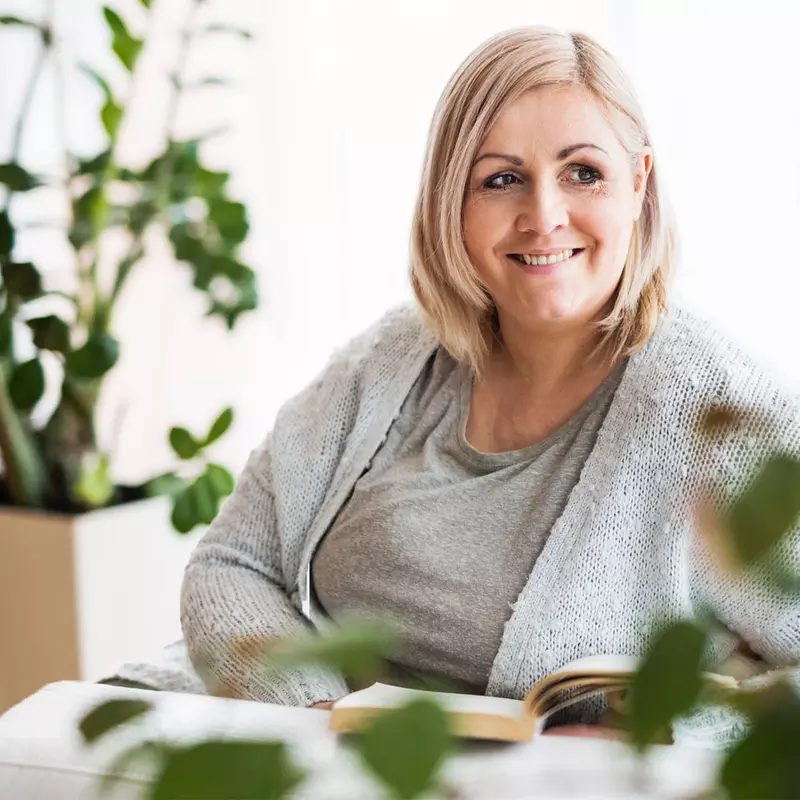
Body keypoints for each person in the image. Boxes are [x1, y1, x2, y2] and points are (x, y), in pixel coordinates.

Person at [161, 26, 798, 746]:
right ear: (452, 203)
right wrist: (315, 719)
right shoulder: (388, 363)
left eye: (582, 172)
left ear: (639, 183)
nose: (544, 215)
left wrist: (663, 738)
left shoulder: (723, 413)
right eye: (501, 179)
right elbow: (229, 565)